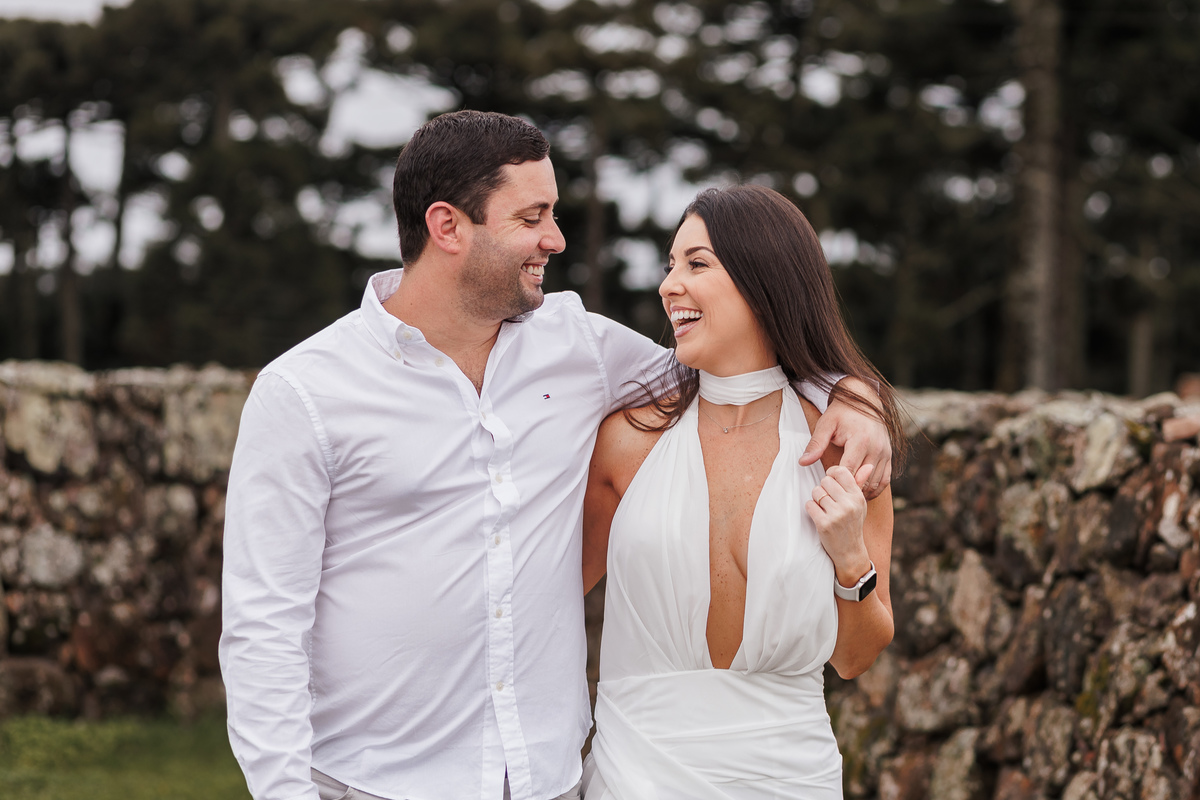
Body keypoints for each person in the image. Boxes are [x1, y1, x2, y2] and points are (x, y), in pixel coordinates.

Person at [219, 110, 893, 800]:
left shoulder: (581, 348)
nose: (556, 238)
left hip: (545, 781)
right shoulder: (305, 393)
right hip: (374, 782)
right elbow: (263, 630)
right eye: (532, 217)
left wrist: (852, 392)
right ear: (447, 226)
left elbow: (734, 364)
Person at [580, 185, 902, 799]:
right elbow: (545, 602)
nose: (669, 285)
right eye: (670, 265)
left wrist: (849, 559)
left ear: (764, 281)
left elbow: (856, 658)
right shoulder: (626, 442)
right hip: (636, 774)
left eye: (696, 264)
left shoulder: (844, 449)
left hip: (789, 779)